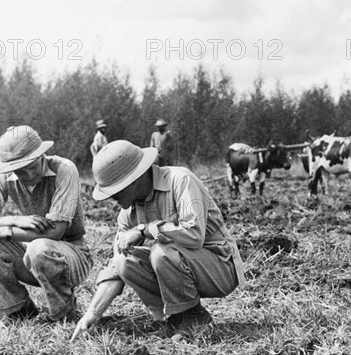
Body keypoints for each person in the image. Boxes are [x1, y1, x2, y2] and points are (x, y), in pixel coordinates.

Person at [71, 140, 245, 342]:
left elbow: (194, 235)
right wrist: (93, 313)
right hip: (181, 266)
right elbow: (116, 267)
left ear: (134, 179)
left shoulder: (180, 180)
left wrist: (146, 229)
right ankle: (174, 318)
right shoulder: (128, 212)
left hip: (220, 269)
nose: (112, 198)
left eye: (115, 190)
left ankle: (194, 316)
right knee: (124, 260)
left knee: (161, 250)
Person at [0, 125, 93, 322]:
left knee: (39, 247)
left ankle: (64, 313)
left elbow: (55, 232)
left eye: (32, 167)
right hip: (31, 257)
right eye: (19, 171)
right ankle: (18, 309)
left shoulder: (64, 169)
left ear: (42, 154)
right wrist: (15, 219)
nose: (28, 176)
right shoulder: (2, 172)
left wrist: (5, 232)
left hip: (70, 255)